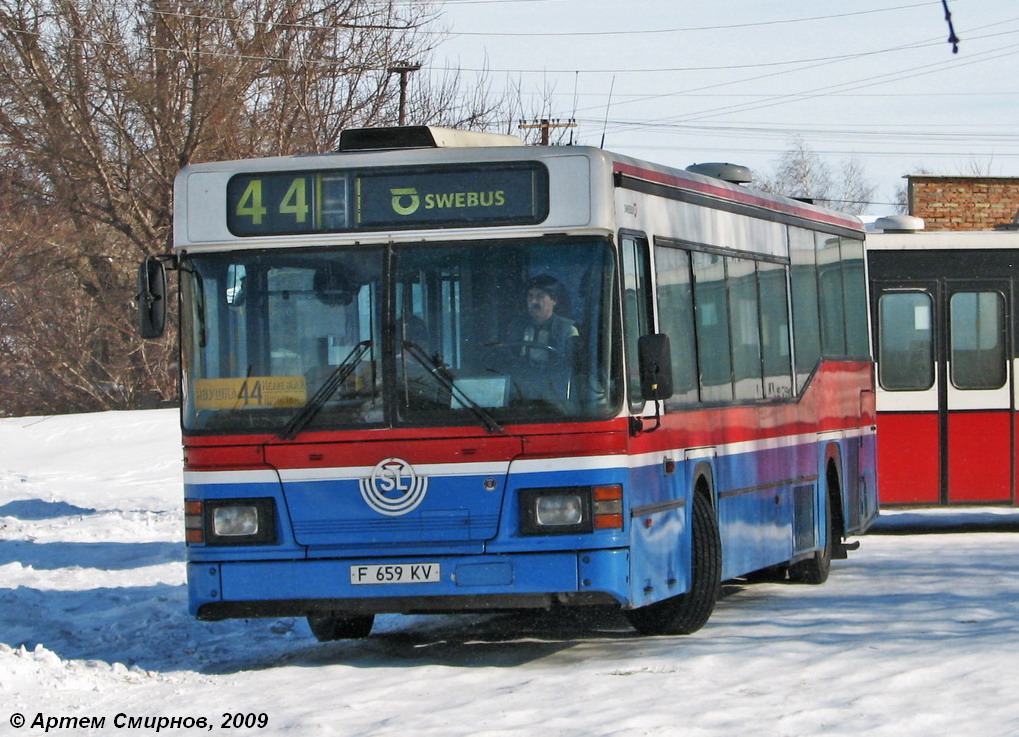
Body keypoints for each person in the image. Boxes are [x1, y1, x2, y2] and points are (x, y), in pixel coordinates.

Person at [513, 274, 578, 365]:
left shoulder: (568, 330)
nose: (533, 301)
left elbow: (570, 365)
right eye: (530, 296)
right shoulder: (516, 327)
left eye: (540, 296)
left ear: (554, 300)